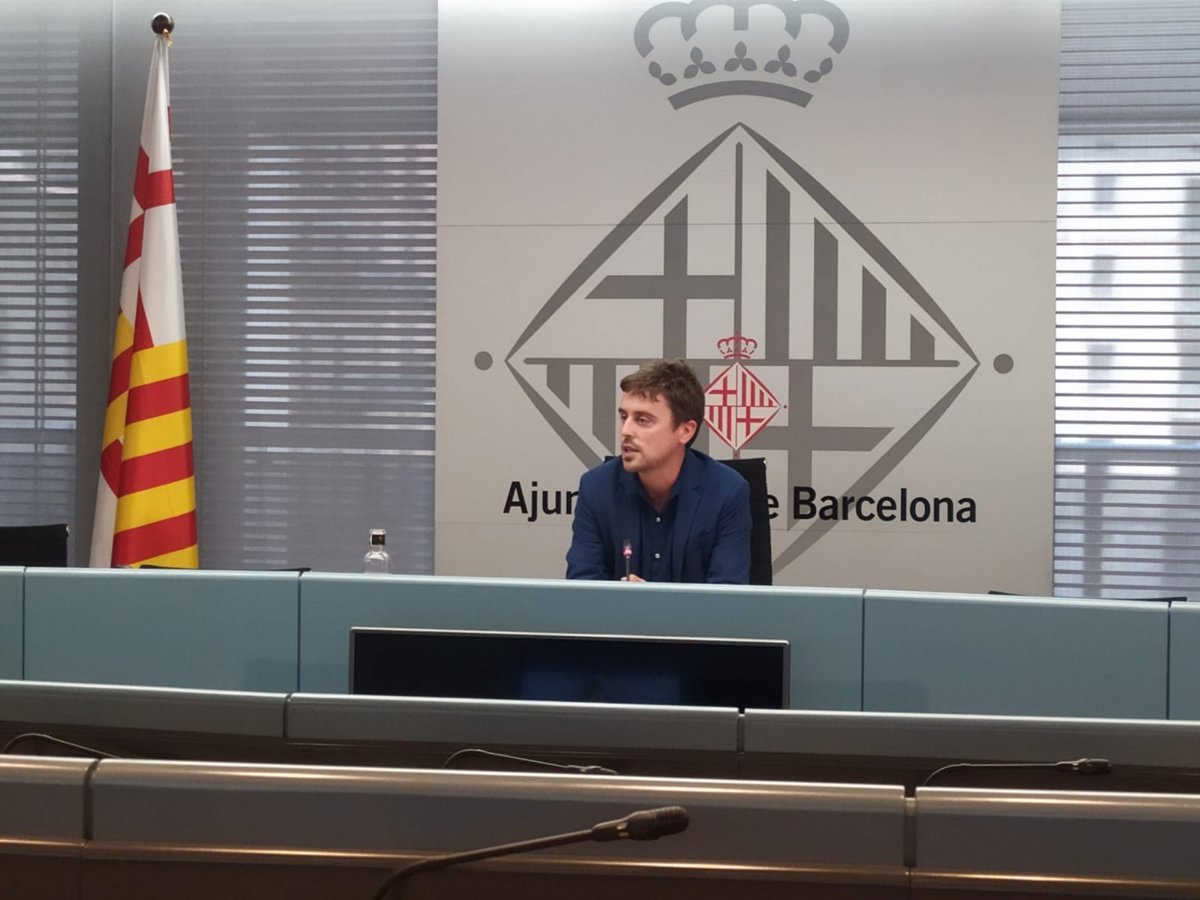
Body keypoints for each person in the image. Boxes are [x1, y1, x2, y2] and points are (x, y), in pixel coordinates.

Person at [565, 358, 751, 583]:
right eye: (624, 417)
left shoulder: (727, 492)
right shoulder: (596, 488)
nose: (626, 431)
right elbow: (583, 587)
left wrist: (652, 601)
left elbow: (727, 594)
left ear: (685, 431)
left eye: (643, 420)